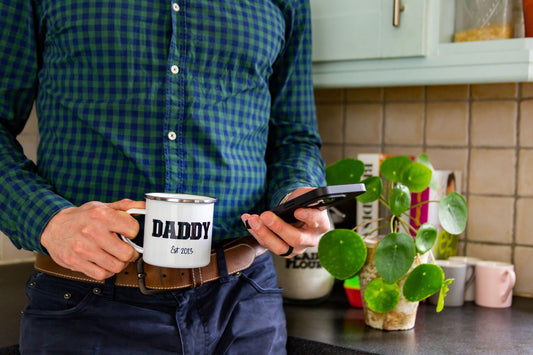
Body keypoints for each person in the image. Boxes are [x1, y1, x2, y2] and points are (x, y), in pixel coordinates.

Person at [0, 0, 329, 354]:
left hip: (247, 307)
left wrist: (298, 195)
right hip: (87, 305)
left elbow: (294, 137)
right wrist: (47, 219)